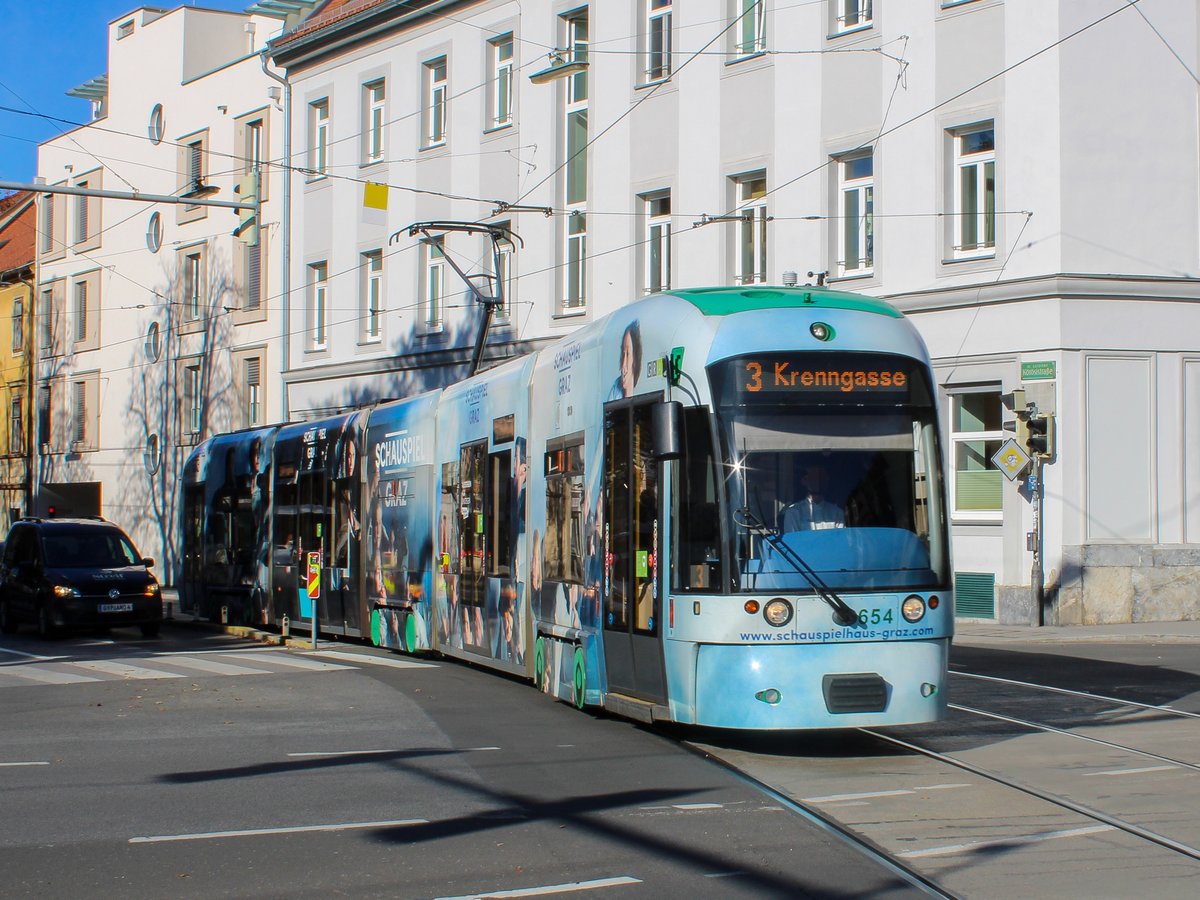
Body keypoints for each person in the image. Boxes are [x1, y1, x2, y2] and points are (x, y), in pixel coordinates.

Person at [782, 464, 844, 531]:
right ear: (804, 480)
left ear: (827, 479)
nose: (818, 481)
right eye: (813, 477)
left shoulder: (837, 512)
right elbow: (792, 537)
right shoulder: (793, 512)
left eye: (821, 477)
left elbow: (840, 536)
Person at [606, 319, 642, 401]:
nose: (623, 365)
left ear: (635, 359)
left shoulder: (643, 391)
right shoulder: (616, 389)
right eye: (623, 354)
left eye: (628, 354)